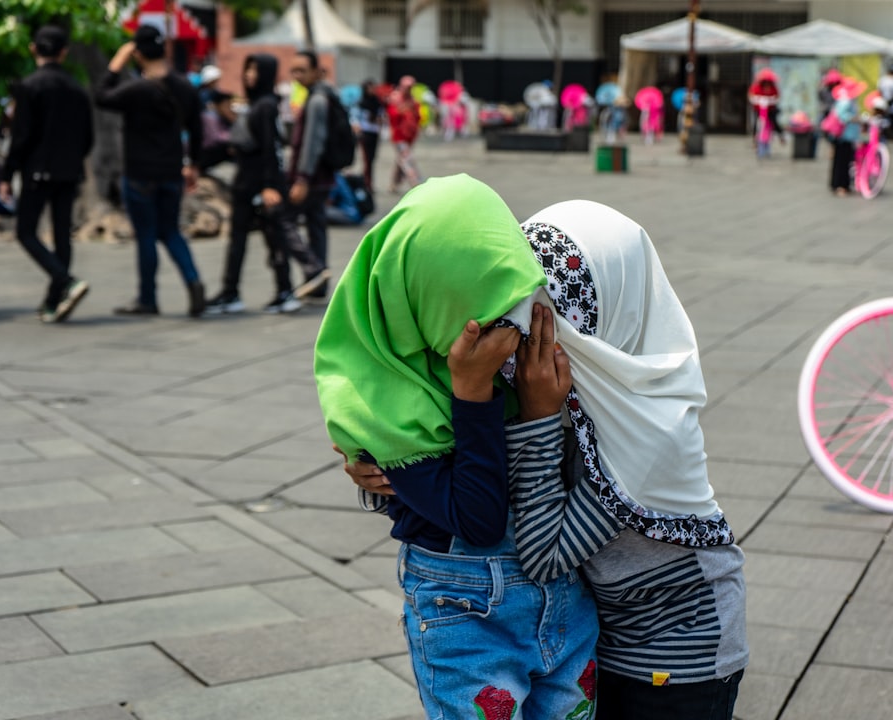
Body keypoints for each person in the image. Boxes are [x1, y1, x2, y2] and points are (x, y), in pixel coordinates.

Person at [344, 200, 750, 719]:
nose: (527, 339)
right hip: (592, 626)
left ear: (607, 309)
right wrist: (388, 468)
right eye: (521, 310)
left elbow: (542, 555)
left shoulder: (653, 434)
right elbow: (477, 480)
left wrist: (537, 417)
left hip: (672, 650)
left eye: (553, 316)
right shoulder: (565, 380)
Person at [315, 174, 599, 720]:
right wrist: (472, 391)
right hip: (466, 613)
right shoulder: (383, 407)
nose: (508, 330)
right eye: (486, 310)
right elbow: (479, 518)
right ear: (426, 296)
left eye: (512, 304)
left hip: (564, 604)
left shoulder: (496, 346)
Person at [95, 24, 205, 318]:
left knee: (146, 235)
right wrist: (193, 165)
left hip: (140, 172)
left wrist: (117, 62)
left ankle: (147, 297)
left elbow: (102, 95)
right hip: (171, 171)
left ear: (138, 54)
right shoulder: (185, 87)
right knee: (171, 231)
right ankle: (193, 281)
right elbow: (196, 129)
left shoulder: (135, 89)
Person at [204, 53, 315, 315]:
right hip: (245, 184)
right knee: (242, 239)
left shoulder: (265, 105)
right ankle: (233, 291)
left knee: (273, 239)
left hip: (260, 186)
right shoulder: (256, 104)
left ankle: (283, 291)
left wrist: (269, 186)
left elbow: (271, 147)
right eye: (248, 69)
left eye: (256, 70)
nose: (250, 74)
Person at [0, 25, 93, 323]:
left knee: (26, 232)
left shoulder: (30, 86)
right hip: (69, 171)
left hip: (38, 171)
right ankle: (55, 300)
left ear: (33, 49)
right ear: (64, 51)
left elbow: (22, 135)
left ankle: (64, 282)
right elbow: (88, 137)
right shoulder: (77, 89)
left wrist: (6, 174)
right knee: (62, 234)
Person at [283, 50, 333, 299]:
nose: (296, 75)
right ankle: (319, 282)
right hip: (322, 176)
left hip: (312, 178)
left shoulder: (316, 101)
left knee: (283, 220)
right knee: (316, 225)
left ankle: (313, 269)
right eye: (294, 70)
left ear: (316, 71)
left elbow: (313, 140)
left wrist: (302, 177)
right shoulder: (318, 96)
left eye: (302, 70)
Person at [827, 77, 864, 197]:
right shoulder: (845, 101)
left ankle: (844, 184)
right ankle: (840, 185)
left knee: (846, 161)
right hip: (843, 136)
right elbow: (841, 116)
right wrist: (854, 119)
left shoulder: (848, 100)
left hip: (848, 136)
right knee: (842, 162)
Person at [387, 76, 423, 193]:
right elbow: (392, 116)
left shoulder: (413, 100)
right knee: (407, 159)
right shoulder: (396, 98)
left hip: (410, 136)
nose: (409, 89)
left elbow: (418, 117)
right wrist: (404, 109)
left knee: (401, 161)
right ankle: (416, 183)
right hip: (399, 136)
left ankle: (394, 184)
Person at [355, 80, 385, 193]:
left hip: (375, 133)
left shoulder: (377, 102)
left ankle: (368, 182)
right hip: (365, 133)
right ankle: (367, 183)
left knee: (372, 159)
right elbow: (356, 119)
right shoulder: (361, 103)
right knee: (367, 160)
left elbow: (382, 117)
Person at [748, 68, 784, 146]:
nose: (767, 83)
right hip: (759, 109)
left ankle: (781, 136)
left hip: (770, 109)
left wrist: (772, 100)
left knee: (774, 122)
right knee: (756, 123)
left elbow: (777, 97)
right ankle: (755, 139)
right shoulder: (756, 87)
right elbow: (751, 95)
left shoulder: (773, 88)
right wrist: (756, 99)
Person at [877, 66, 893, 143]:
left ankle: (883, 138)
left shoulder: (882, 79)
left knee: (883, 123)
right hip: (892, 105)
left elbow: (880, 92)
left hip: (883, 105)